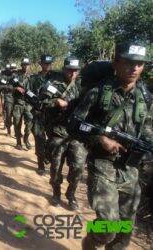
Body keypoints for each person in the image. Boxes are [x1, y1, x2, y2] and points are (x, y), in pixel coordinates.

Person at [70, 42, 153, 250]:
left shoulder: (145, 96)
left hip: (130, 168)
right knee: (109, 227)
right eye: (129, 62)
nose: (134, 68)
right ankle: (91, 242)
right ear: (116, 63)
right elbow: (75, 123)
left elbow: (148, 128)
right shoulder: (99, 92)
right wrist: (100, 138)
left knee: (124, 230)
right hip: (102, 164)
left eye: (139, 64)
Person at [37, 56, 87, 210]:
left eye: (75, 71)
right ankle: (56, 192)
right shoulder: (52, 84)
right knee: (56, 166)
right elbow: (41, 102)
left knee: (78, 167)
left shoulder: (82, 86)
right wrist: (56, 102)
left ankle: (71, 194)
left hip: (77, 134)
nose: (73, 74)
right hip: (58, 131)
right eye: (70, 70)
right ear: (64, 69)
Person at [29, 55, 55, 175]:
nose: (47, 65)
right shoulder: (34, 79)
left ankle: (47, 155)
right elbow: (28, 92)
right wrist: (34, 100)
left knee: (53, 140)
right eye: (45, 63)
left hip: (53, 114)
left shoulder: (56, 78)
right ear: (41, 64)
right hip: (38, 113)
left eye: (49, 63)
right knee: (39, 138)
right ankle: (40, 165)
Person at [12, 58, 33, 150]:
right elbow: (8, 87)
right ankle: (18, 142)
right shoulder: (15, 76)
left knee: (30, 122)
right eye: (24, 64)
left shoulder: (32, 76)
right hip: (18, 103)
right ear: (21, 65)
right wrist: (16, 88)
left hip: (28, 104)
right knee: (17, 123)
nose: (26, 66)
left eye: (27, 64)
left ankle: (26, 138)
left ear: (29, 65)